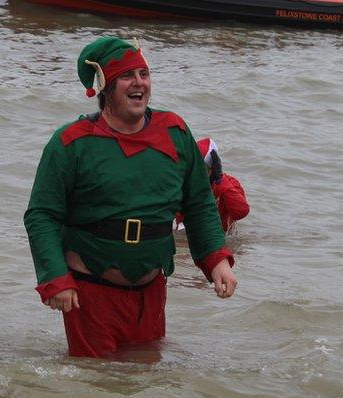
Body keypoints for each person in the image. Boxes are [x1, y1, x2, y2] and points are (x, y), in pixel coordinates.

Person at [24, 36, 238, 358]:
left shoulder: (175, 132)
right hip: (89, 292)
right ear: (105, 89)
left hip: (151, 293)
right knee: (95, 388)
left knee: (146, 383)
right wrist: (56, 277)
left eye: (144, 73)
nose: (139, 82)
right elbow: (42, 214)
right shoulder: (71, 142)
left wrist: (217, 260)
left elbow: (199, 204)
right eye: (127, 75)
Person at [196, 138, 250, 232]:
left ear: (211, 169)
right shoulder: (184, 180)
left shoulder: (230, 184)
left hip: (219, 236)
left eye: (200, 168)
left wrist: (220, 180)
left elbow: (241, 212)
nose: (194, 172)